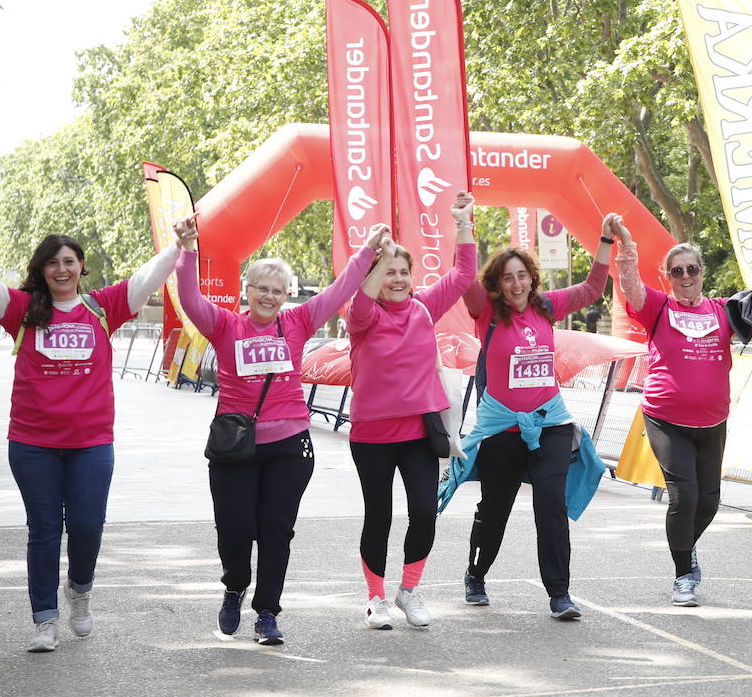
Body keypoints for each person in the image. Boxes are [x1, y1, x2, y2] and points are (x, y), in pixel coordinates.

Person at [0, 213, 181, 652]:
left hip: (91, 443)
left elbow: (146, 277)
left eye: (69, 261)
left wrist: (178, 246)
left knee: (87, 526)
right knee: (44, 530)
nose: (61, 270)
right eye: (53, 263)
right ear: (42, 269)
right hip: (32, 443)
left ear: (82, 267)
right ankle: (44, 619)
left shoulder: (105, 307)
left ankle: (79, 592)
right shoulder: (23, 310)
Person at [174, 215, 391, 646]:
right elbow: (188, 297)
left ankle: (267, 613)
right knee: (234, 527)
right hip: (236, 446)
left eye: (277, 290)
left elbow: (338, 292)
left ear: (285, 295)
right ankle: (235, 584)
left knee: (276, 529)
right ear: (246, 291)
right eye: (261, 288)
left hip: (290, 444)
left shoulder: (297, 322)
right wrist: (187, 250)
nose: (269, 296)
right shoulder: (224, 325)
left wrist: (367, 252)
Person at [446, 215, 618, 620]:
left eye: (522, 275)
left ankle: (560, 593)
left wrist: (606, 238)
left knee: (550, 506)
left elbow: (593, 289)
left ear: (532, 278)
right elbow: (463, 274)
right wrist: (463, 226)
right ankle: (476, 574)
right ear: (497, 284)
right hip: (502, 427)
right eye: (508, 278)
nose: (517, 284)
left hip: (550, 424)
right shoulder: (484, 311)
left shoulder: (547, 307)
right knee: (495, 508)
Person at [612, 217, 752, 606]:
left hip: (713, 421)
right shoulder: (657, 307)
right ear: (667, 276)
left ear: (702, 273)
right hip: (665, 418)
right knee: (683, 498)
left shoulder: (724, 309)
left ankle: (685, 550)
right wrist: (626, 245)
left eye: (692, 269)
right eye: (677, 271)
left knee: (709, 501)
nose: (685, 276)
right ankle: (683, 576)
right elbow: (630, 286)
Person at [347, 192, 476, 630]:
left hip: (420, 433)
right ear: (376, 277)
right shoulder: (361, 315)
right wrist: (376, 254)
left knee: (424, 511)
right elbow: (360, 300)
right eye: (389, 271)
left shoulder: (423, 308)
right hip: (371, 436)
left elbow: (463, 275)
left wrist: (463, 223)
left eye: (403, 271)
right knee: (378, 516)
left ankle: (409, 589)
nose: (397, 278)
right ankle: (376, 598)